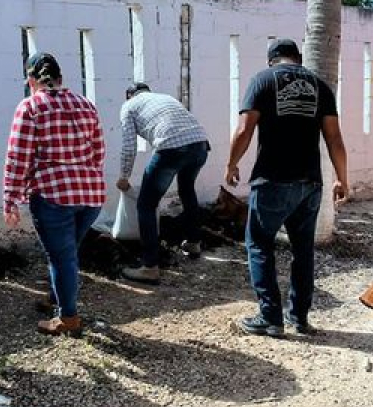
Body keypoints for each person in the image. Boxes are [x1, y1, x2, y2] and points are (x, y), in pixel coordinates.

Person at [226, 38, 350, 338]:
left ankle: (270, 318)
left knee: (259, 244)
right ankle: (300, 318)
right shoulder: (320, 85)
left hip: (273, 180)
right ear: (298, 58)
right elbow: (334, 138)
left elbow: (245, 128)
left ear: (272, 60)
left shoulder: (263, 80)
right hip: (310, 184)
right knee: (302, 251)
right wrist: (342, 178)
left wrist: (231, 164)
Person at [4, 52, 106, 337]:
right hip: (90, 193)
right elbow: (99, 151)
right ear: (61, 78)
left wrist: (10, 198)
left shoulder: (31, 107)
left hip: (53, 193)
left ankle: (68, 318)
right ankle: (56, 295)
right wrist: (87, 176)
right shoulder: (86, 104)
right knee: (67, 252)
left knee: (62, 257)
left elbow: (17, 157)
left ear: (31, 80)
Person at [117, 83, 210, 284]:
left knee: (146, 204)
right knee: (187, 189)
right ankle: (194, 243)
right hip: (200, 145)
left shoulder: (129, 106)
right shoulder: (166, 98)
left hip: (171, 147)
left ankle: (149, 267)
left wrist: (124, 177)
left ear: (129, 95)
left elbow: (128, 146)